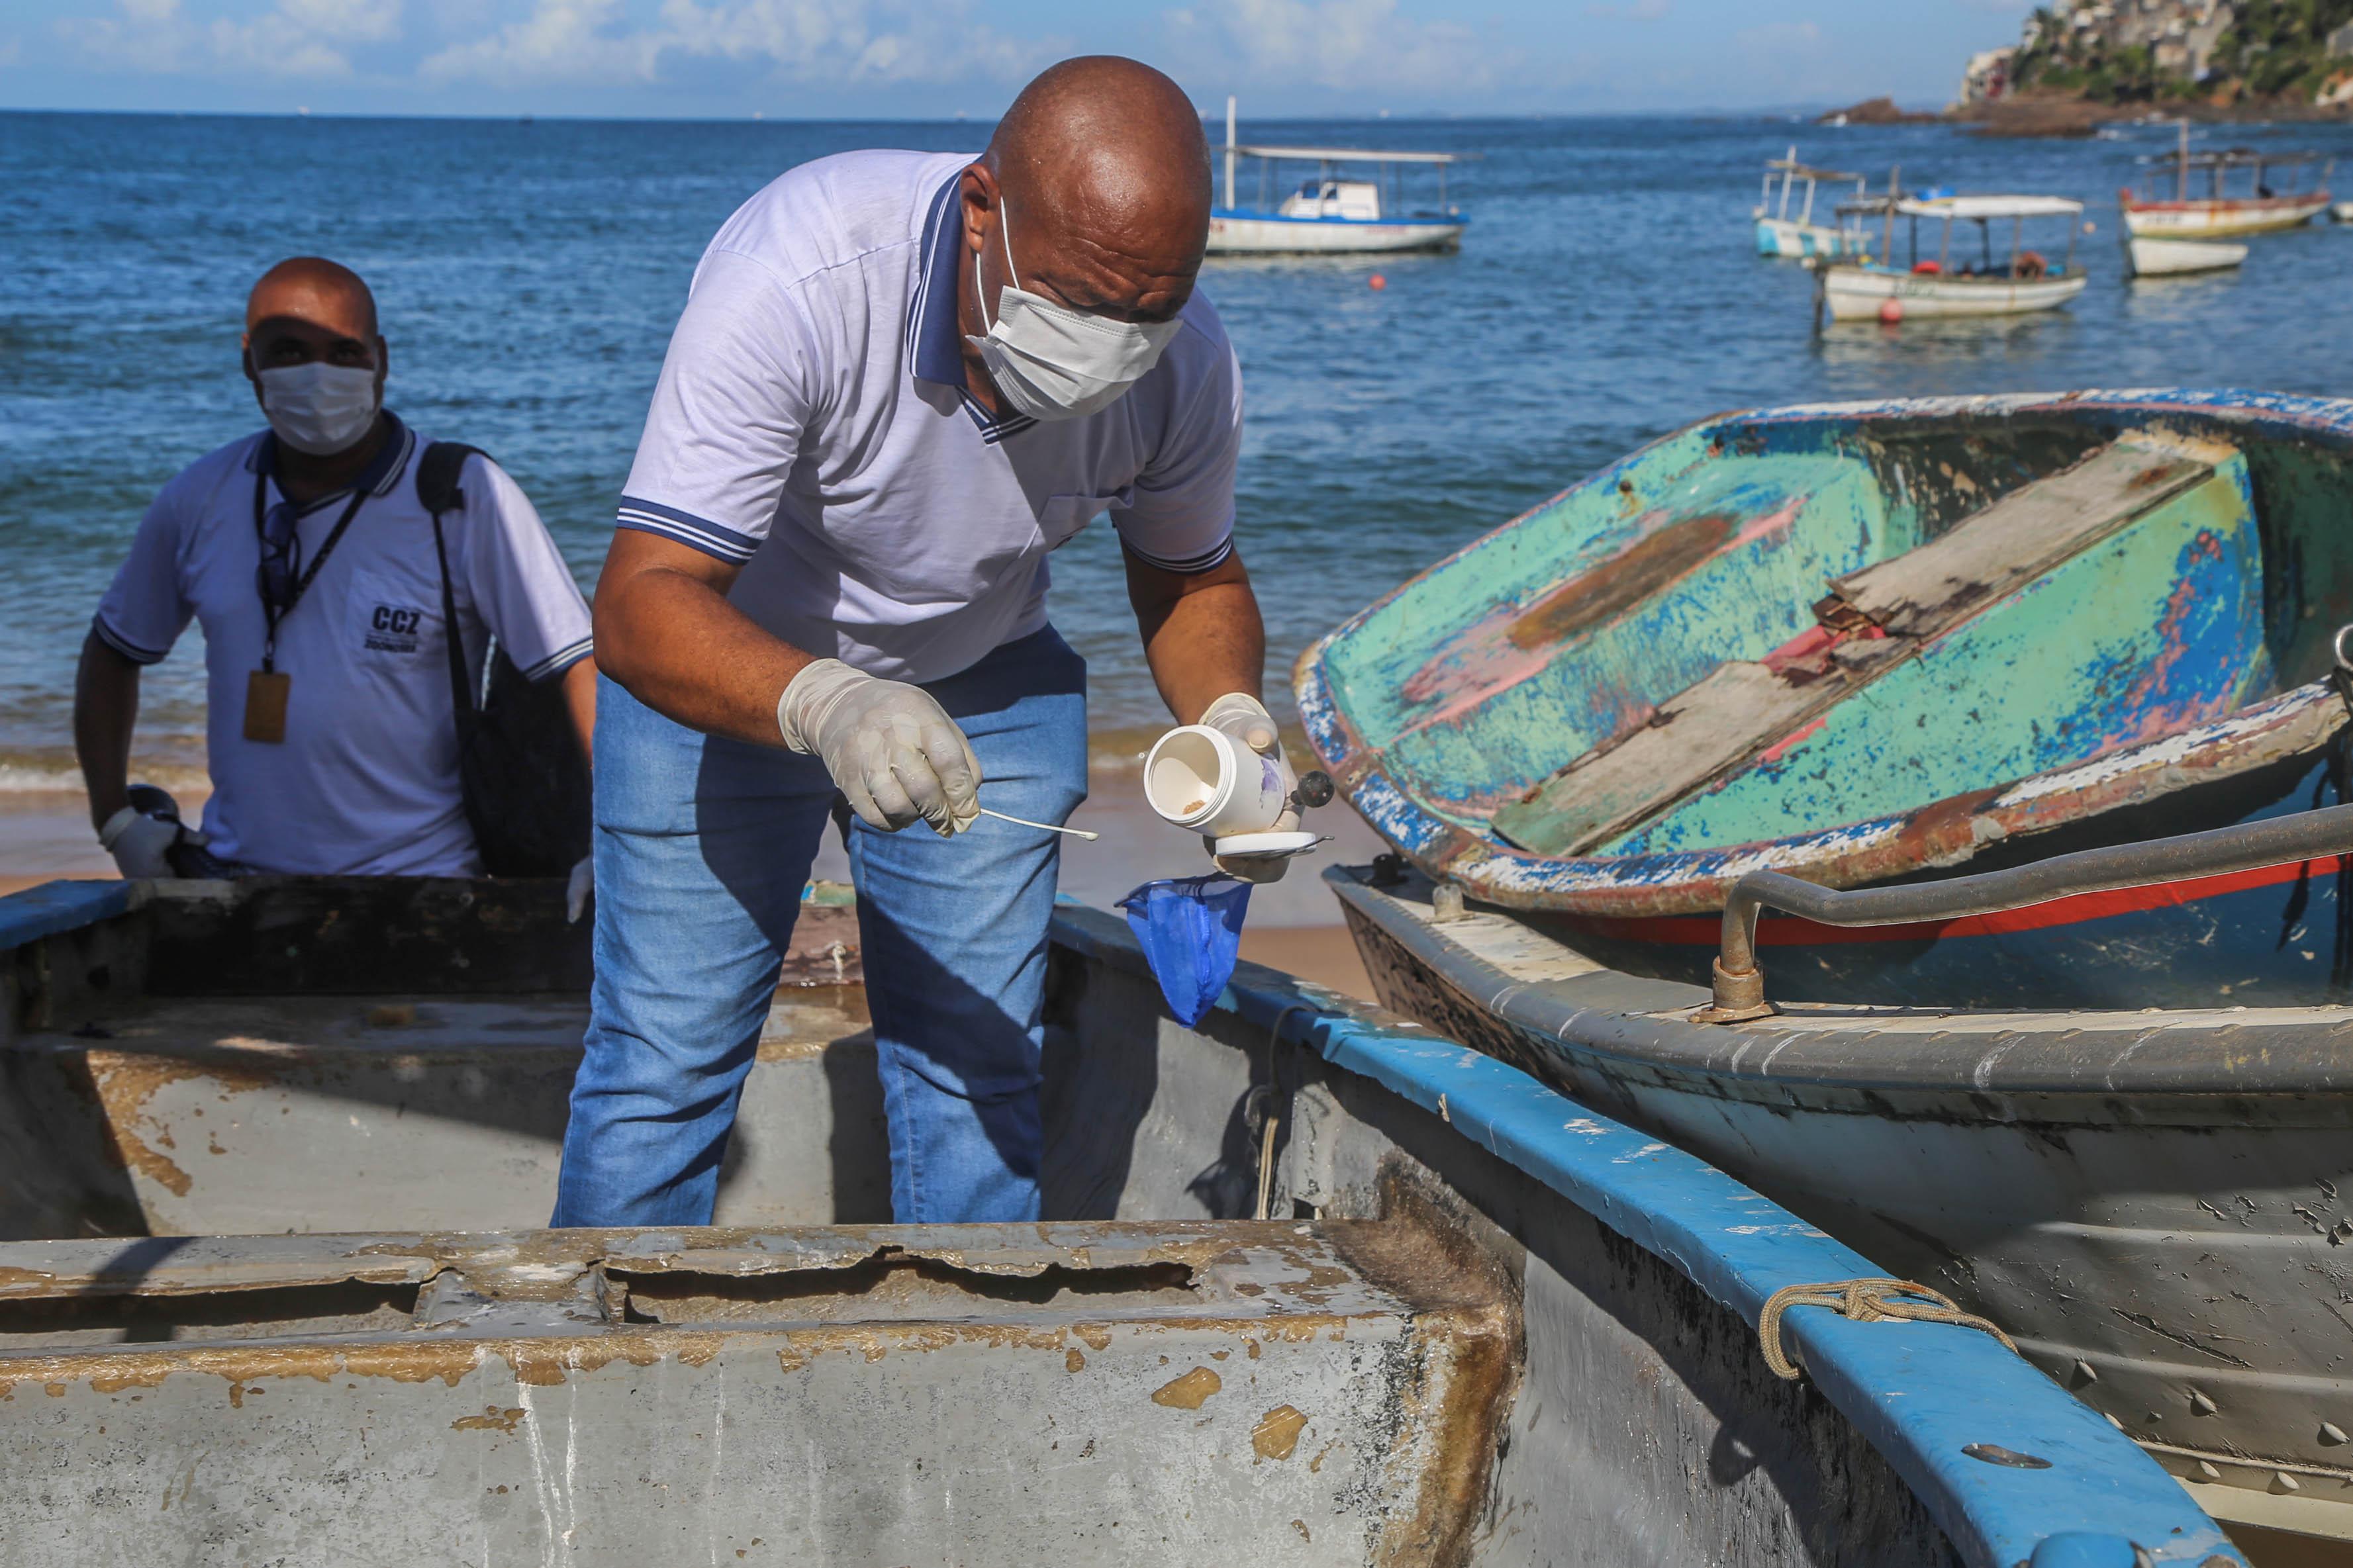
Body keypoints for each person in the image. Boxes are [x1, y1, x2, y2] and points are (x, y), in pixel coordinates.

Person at [555, 56, 1298, 1228]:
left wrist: (1232, 721)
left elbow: (1188, 572)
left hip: (988, 678)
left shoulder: (1185, 361)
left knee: (980, 1070)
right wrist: (829, 704)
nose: (1110, 343)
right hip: (727, 663)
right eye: (1078, 299)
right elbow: (643, 601)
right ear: (980, 209)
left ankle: (965, 1350)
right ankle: (593, 1371)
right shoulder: (797, 272)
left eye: (1146, 312)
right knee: (664, 1063)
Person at [75, 257, 598, 898]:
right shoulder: (200, 497)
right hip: (240, 884)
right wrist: (115, 819)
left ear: (380, 358)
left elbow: (579, 665)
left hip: (425, 886)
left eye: (344, 352)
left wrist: (616, 838)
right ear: (250, 360)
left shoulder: (460, 495)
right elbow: (114, 649)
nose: (318, 375)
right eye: (289, 351)